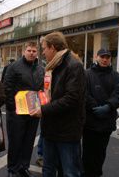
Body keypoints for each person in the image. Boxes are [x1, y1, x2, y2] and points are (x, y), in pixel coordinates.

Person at [30, 32, 86, 177]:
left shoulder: (74, 66)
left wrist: (43, 109)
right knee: (47, 170)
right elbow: (50, 93)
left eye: (44, 48)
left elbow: (71, 99)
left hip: (67, 132)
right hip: (50, 129)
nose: (42, 53)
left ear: (53, 47)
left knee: (69, 172)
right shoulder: (52, 66)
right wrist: (36, 99)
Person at [4, 42, 44, 177]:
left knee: (28, 141)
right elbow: (7, 87)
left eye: (34, 51)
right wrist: (12, 108)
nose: (31, 53)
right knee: (16, 142)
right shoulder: (13, 67)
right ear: (23, 51)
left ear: (37, 53)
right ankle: (12, 169)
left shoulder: (40, 68)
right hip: (17, 111)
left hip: (33, 111)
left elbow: (42, 88)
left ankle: (23, 167)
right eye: (29, 50)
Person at [82, 48, 119, 177]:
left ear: (110, 59)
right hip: (90, 121)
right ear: (96, 57)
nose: (105, 60)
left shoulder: (116, 76)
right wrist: (95, 107)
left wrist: (107, 107)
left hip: (106, 123)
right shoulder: (87, 74)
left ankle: (96, 174)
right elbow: (84, 94)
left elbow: (118, 96)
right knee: (88, 151)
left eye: (107, 57)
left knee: (101, 152)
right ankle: (85, 173)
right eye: (102, 57)